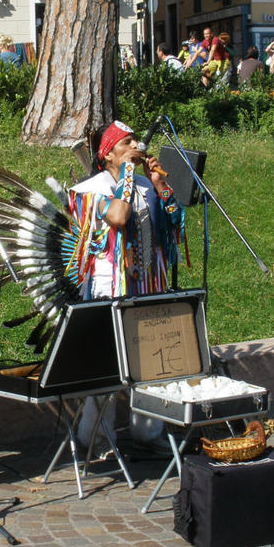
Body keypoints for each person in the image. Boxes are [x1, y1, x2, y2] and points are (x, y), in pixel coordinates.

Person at [68, 120, 184, 453]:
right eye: (126, 143)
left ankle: (149, 433)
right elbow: (118, 216)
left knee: (153, 358)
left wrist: (161, 186)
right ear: (108, 154)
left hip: (147, 283)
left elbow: (172, 227)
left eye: (135, 141)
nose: (136, 146)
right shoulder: (90, 190)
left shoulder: (146, 187)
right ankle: (95, 436)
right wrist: (130, 175)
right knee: (108, 363)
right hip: (109, 288)